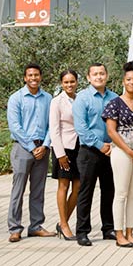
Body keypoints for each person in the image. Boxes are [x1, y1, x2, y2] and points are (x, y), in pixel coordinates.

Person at [102, 60, 133, 248]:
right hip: (123, 153)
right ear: (124, 81)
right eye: (129, 79)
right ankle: (119, 233)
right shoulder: (114, 104)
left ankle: (130, 232)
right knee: (121, 193)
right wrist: (129, 151)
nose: (132, 82)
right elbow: (111, 132)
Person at [6, 63, 54, 242]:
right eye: (30, 75)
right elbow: (15, 126)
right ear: (25, 78)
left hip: (43, 149)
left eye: (36, 75)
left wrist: (46, 145)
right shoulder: (16, 98)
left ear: (40, 77)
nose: (33, 78)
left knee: (38, 189)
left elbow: (52, 124)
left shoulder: (48, 98)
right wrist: (32, 147)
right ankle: (15, 228)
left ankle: (35, 226)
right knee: (18, 189)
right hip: (23, 148)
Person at [73, 62, 118, 246]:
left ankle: (108, 228)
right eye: (95, 74)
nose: (99, 77)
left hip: (111, 151)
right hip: (89, 152)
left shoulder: (115, 98)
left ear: (106, 75)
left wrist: (113, 145)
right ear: (88, 77)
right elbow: (81, 128)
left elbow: (119, 125)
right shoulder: (82, 98)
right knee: (86, 191)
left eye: (102, 73)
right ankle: (82, 231)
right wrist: (100, 145)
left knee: (109, 191)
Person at [49, 69, 81, 241]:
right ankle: (65, 224)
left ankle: (63, 223)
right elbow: (54, 129)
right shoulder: (56, 102)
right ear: (62, 83)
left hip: (79, 148)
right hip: (63, 148)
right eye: (66, 82)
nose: (69, 85)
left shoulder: (80, 99)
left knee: (78, 187)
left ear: (77, 82)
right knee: (64, 186)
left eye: (72, 81)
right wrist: (60, 154)